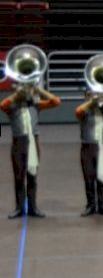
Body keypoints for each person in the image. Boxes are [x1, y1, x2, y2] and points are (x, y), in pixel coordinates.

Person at [1, 81, 60, 219]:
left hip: (33, 142)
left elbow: (56, 101)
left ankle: (33, 207)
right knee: (19, 176)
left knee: (32, 176)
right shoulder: (13, 106)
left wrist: (37, 90)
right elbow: (2, 105)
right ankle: (19, 208)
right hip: (18, 142)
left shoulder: (36, 105)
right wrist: (17, 94)